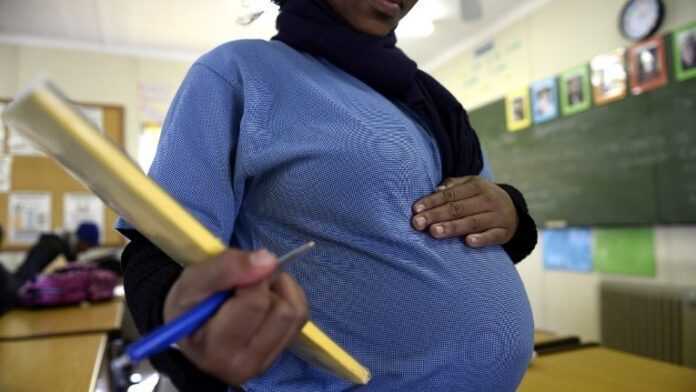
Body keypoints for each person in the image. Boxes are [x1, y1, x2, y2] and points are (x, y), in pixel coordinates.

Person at [118, 0, 538, 391]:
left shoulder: (433, 100)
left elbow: (467, 233)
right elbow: (158, 249)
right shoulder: (238, 73)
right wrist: (181, 319)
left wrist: (511, 214)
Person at [13, 221, 100, 284]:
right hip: (25, 290)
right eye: (88, 245)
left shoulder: (70, 252)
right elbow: (29, 271)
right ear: (81, 240)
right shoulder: (50, 245)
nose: (87, 250)